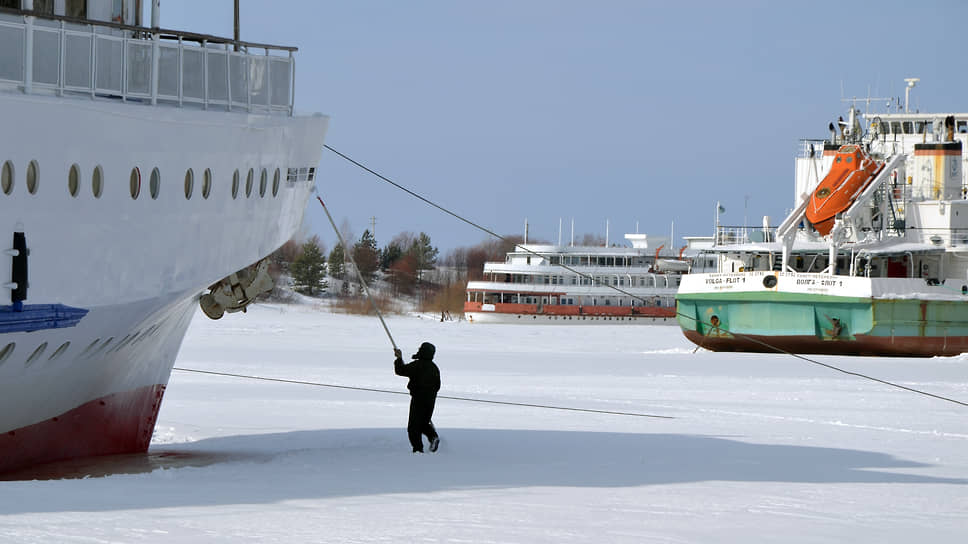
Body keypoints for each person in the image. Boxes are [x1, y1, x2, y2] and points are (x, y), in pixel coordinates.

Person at [394, 342, 441, 453]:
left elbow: (400, 370)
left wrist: (399, 358)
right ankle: (433, 437)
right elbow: (437, 385)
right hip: (431, 400)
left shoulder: (418, 365)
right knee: (423, 423)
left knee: (413, 427)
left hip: (418, 399)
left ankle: (418, 450)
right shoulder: (434, 368)